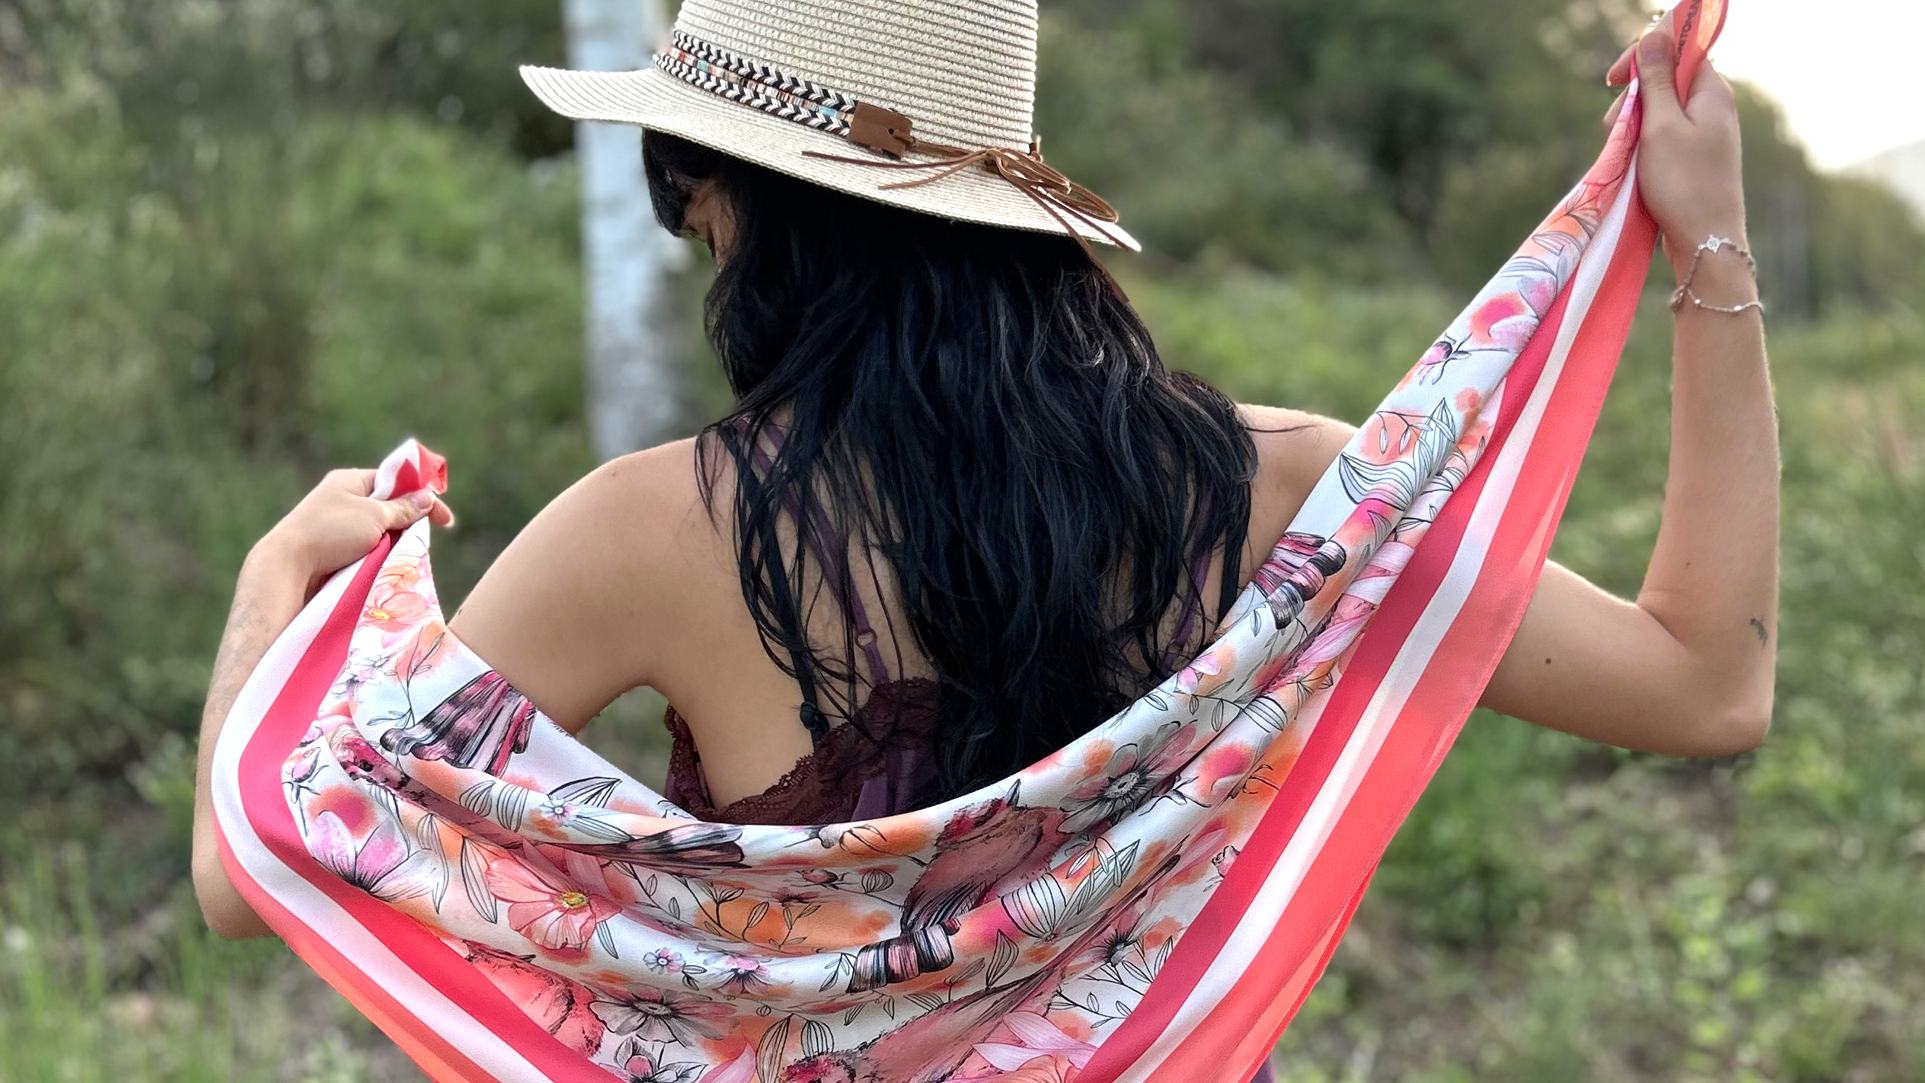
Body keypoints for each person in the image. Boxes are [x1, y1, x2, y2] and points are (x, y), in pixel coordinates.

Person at [191, 8, 1775, 1063]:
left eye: (690, 189)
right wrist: (1701, 235)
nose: (687, 228)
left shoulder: (653, 531)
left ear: (749, 203)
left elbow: (253, 860)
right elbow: (1706, 685)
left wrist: (281, 581)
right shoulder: (1280, 494)